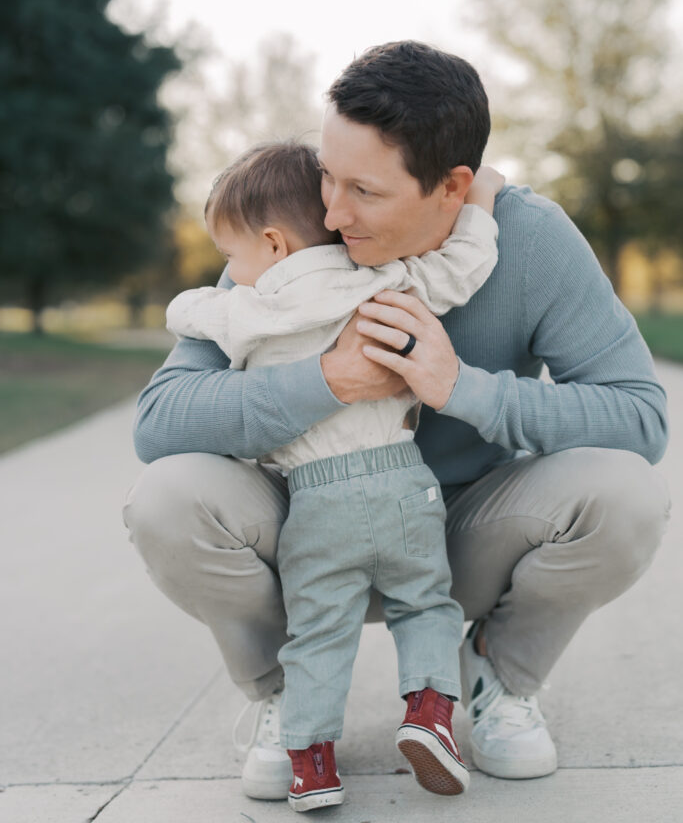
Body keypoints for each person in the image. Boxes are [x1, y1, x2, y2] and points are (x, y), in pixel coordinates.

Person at [125, 40, 670, 801]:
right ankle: (285, 694)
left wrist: (460, 388)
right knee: (168, 496)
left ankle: (500, 677)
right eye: (326, 174)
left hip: (454, 539)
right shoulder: (289, 235)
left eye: (364, 191)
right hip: (306, 523)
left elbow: (639, 419)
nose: (332, 210)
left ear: (452, 188)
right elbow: (160, 421)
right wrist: (327, 378)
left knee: (625, 491)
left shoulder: (532, 241)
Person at [164, 140, 502, 810]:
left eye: (231, 257)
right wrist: (483, 201)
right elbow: (466, 264)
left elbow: (187, 312)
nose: (230, 272)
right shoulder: (388, 280)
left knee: (318, 628)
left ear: (272, 245)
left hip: (318, 501)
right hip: (406, 483)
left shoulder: (251, 308)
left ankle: (310, 759)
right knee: (426, 603)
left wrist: (201, 300)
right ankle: (430, 713)